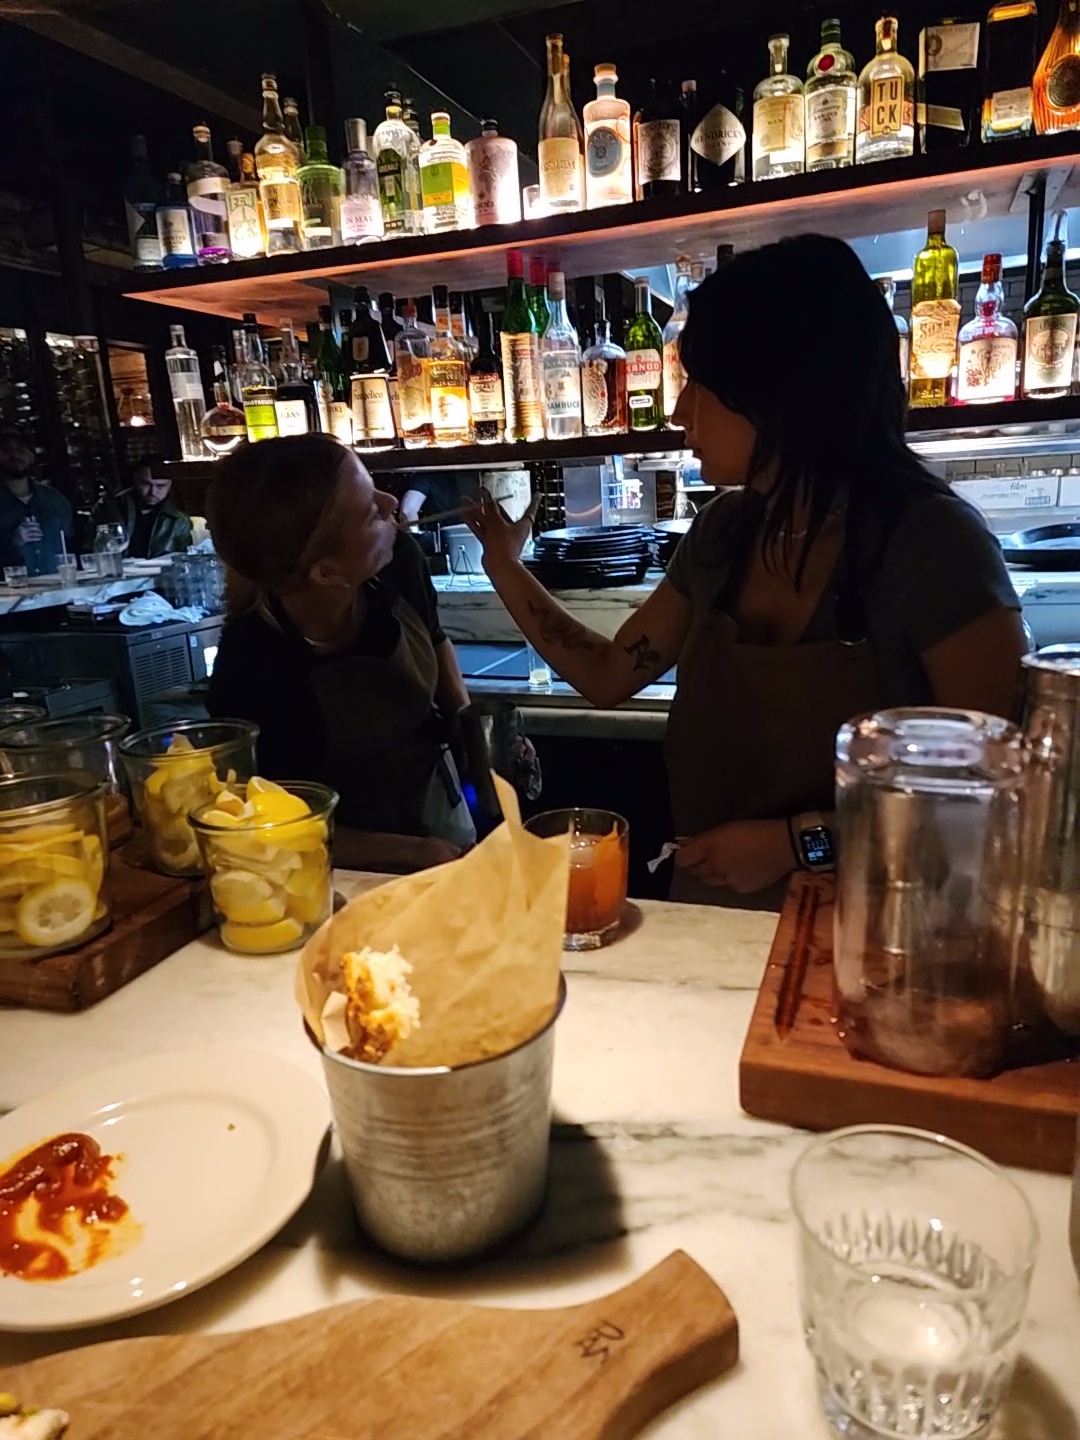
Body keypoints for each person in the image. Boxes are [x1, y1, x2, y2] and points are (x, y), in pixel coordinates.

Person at [465, 235, 1026, 908]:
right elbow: (610, 674)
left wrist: (796, 843)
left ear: (780, 393)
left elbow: (999, 795)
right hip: (711, 920)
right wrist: (504, 566)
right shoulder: (724, 531)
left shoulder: (932, 545)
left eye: (700, 386)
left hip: (873, 933)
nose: (678, 412)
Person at [206, 434, 479, 874]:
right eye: (370, 509)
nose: (391, 503)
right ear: (326, 572)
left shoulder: (399, 560)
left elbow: (433, 639)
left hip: (431, 798)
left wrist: (470, 735)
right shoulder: (251, 673)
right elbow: (282, 824)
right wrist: (411, 853)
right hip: (336, 863)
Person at [0, 427, 73, 577]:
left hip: (58, 587)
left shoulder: (54, 500)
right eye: (7, 450)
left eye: (20, 450)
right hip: (10, 590)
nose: (14, 455)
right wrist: (12, 542)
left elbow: (74, 542)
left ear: (31, 456)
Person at [93, 458, 192, 558]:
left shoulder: (179, 519)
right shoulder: (109, 507)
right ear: (135, 479)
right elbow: (92, 548)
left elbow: (186, 557)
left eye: (160, 486)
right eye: (146, 484)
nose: (153, 492)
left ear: (170, 484)